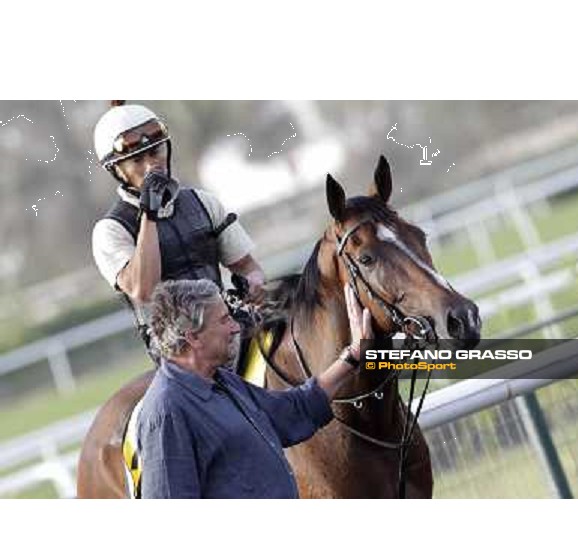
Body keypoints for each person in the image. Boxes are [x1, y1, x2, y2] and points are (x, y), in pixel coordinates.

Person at [137, 278, 372, 499]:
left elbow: (292, 411)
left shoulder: (222, 381)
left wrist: (353, 356)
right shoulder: (165, 411)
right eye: (224, 320)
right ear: (193, 337)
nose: (235, 328)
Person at [91, 102, 265, 359]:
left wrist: (255, 282)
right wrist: (148, 213)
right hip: (176, 352)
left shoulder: (204, 202)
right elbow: (144, 289)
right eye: (137, 160)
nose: (151, 166)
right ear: (117, 170)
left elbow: (247, 266)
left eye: (155, 152)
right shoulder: (109, 231)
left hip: (229, 328)